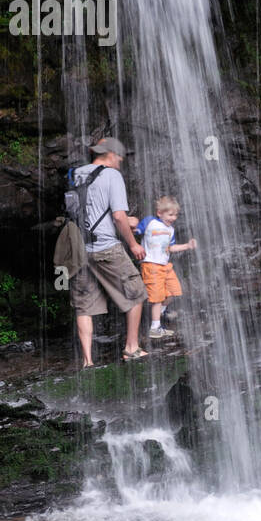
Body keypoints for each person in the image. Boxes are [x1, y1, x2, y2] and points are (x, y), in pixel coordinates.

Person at [66, 137, 149, 369]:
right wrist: (133, 244)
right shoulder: (112, 175)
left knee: (84, 305)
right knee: (136, 293)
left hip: (79, 249)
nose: (120, 161)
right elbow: (118, 216)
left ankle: (87, 361)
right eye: (119, 157)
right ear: (110, 155)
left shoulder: (77, 174)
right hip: (105, 247)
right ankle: (132, 348)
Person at [136, 196, 196, 339]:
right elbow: (135, 232)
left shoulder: (171, 230)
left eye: (175, 215)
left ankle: (161, 311)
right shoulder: (150, 222)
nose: (173, 218)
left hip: (165, 266)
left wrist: (187, 246)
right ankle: (155, 327)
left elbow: (171, 247)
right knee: (157, 298)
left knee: (173, 292)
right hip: (151, 264)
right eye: (170, 214)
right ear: (159, 213)